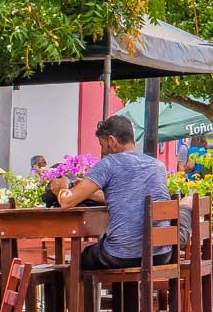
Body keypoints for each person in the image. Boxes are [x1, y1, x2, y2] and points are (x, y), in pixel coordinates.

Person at [56, 114, 171, 270]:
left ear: (111, 141)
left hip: (122, 255)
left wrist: (62, 186)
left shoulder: (109, 163)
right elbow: (126, 195)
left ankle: (70, 295)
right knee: (112, 247)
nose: (103, 151)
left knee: (81, 259)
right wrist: (88, 191)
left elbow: (67, 201)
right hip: (161, 254)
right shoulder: (158, 166)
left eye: (102, 145)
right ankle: (125, 295)